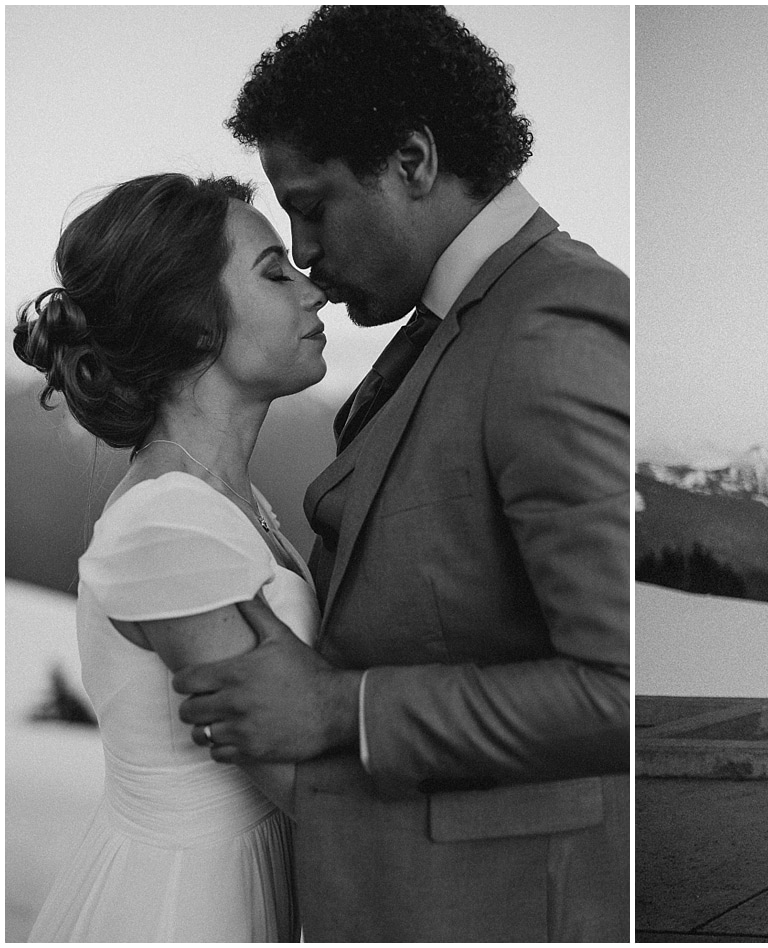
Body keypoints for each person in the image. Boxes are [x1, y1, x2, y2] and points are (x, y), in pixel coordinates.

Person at [168, 7, 629, 941]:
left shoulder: (545, 328)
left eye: (314, 203)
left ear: (413, 161)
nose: (302, 249)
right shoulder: (460, 319)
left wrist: (346, 707)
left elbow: (621, 685)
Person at [16, 173, 327, 941]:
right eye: (273, 270)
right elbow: (298, 781)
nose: (313, 291)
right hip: (189, 907)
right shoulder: (168, 529)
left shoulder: (226, 499)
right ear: (194, 323)